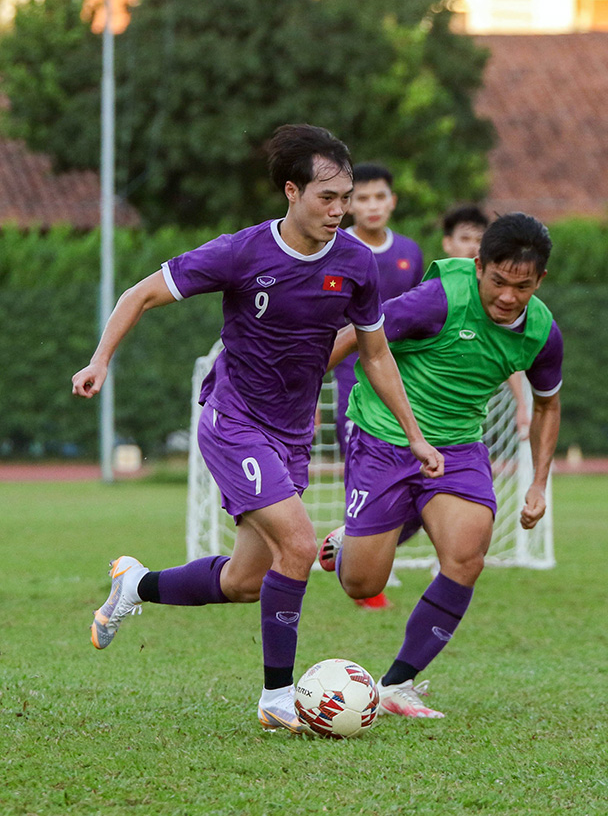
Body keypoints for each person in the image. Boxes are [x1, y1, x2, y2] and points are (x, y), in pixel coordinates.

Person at [72, 123, 443, 735]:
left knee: (245, 581)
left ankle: (136, 584)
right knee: (299, 545)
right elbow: (139, 294)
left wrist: (415, 435)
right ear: (292, 192)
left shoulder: (355, 262)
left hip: (292, 433)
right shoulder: (241, 253)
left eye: (346, 197)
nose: (340, 210)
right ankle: (277, 697)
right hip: (235, 421)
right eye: (327, 197)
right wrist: (99, 360)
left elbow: (375, 353)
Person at [319, 212, 562, 718]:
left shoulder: (541, 332)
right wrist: (298, 394)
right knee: (363, 584)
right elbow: (360, 333)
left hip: (457, 447)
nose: (508, 296)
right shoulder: (440, 298)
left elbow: (547, 405)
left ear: (540, 280)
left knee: (467, 555)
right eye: (498, 281)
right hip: (384, 437)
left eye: (522, 286)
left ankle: (397, 684)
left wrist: (539, 483)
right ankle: (348, 545)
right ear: (479, 267)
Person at [333, 163, 425, 609]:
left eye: (379, 197)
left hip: (405, 386)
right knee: (368, 479)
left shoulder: (409, 252)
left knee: (420, 482)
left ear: (392, 201)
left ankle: (348, 547)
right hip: (354, 386)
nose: (372, 206)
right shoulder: (335, 247)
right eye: (363, 198)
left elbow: (424, 315)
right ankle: (366, 581)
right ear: (349, 204)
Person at [442, 204, 531, 440]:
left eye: (479, 240)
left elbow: (505, 349)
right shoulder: (429, 293)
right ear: (447, 243)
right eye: (465, 238)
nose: (473, 246)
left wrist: (522, 404)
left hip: (465, 414)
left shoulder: (495, 299)